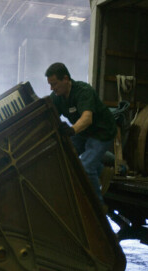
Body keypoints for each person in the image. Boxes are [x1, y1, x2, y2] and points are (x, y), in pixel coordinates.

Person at [45, 62, 117, 209]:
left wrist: (71, 130)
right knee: (66, 152)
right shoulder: (57, 97)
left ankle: (97, 207)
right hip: (84, 132)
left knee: (85, 167)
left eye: (54, 84)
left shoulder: (83, 91)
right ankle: (101, 171)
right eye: (50, 85)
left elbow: (87, 118)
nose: (52, 88)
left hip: (101, 132)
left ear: (66, 79)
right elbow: (47, 117)